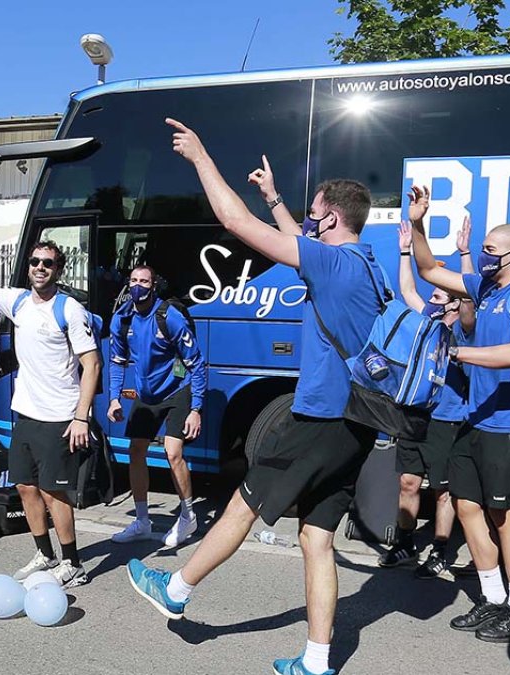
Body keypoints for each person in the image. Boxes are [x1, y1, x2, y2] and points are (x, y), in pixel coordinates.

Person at [128, 119, 385, 675]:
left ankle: (176, 586)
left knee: (243, 503)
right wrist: (275, 200)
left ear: (332, 218)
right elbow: (300, 242)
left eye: (315, 214)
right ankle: (317, 661)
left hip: (317, 418)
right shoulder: (365, 265)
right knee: (316, 539)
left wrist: (201, 157)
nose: (309, 223)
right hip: (358, 424)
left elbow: (232, 221)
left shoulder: (332, 263)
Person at [407, 188, 510, 643]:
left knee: (504, 514)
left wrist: (463, 352)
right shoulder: (485, 286)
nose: (484, 255)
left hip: (508, 426)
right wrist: (418, 224)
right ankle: (492, 598)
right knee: (467, 506)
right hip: (476, 419)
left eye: (490, 249)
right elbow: (429, 269)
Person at [0, 208, 100, 589]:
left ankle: (73, 563)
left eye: (48, 263)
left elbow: (92, 364)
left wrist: (81, 417)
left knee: (56, 492)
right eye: (35, 261)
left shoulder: (69, 308)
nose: (40, 267)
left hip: (59, 417)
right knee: (24, 487)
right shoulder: (18, 302)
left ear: (59, 269)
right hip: (27, 413)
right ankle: (45, 554)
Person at [373, 218, 475, 580]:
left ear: (454, 303)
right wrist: (405, 250)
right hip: (416, 416)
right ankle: (403, 544)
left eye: (438, 295)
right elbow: (406, 289)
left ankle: (442, 549)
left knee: (444, 489)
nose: (430, 298)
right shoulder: (429, 320)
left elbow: (467, 298)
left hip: (448, 418)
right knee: (408, 482)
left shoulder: (463, 329)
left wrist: (465, 256)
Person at [108, 264, 208, 548]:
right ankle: (142, 520)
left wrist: (195, 409)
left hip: (176, 389)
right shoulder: (122, 319)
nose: (138, 286)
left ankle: (188, 516)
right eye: (134, 280)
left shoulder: (169, 317)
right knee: (136, 449)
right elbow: (117, 361)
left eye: (144, 281)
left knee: (172, 452)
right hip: (146, 394)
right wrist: (115, 397)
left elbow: (197, 364)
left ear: (153, 286)